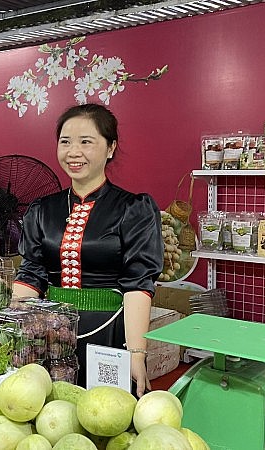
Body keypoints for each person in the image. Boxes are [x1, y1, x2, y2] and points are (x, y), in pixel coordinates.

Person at [12, 103, 163, 398]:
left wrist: (136, 352)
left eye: (86, 142)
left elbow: (138, 283)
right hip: (51, 336)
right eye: (65, 142)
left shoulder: (133, 209)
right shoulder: (42, 210)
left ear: (110, 148)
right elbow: (31, 274)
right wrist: (16, 333)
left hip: (109, 333)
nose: (73, 152)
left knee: (106, 417)